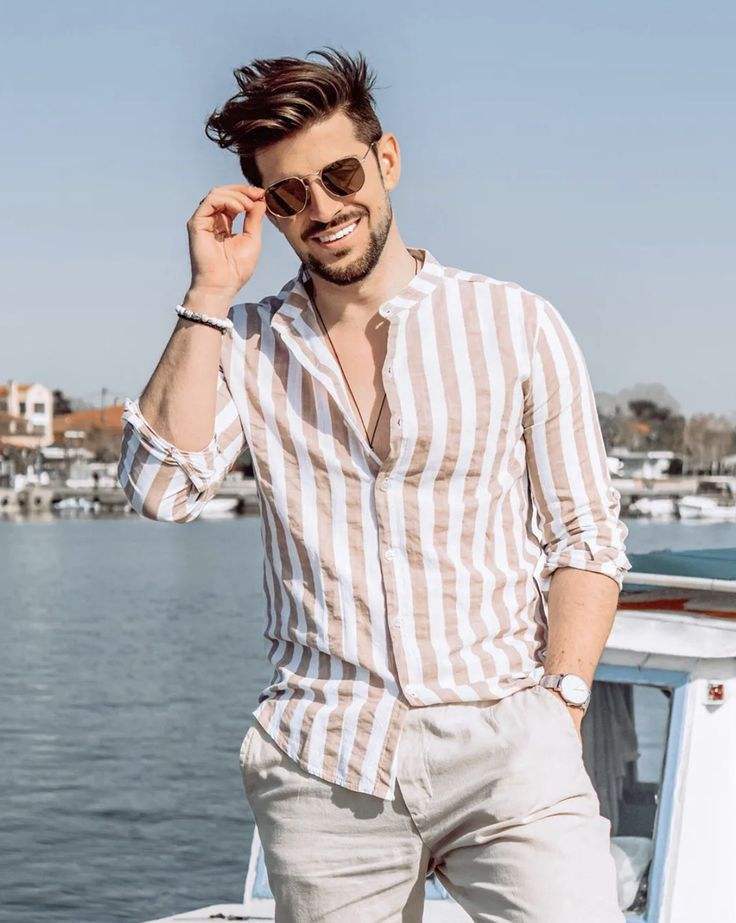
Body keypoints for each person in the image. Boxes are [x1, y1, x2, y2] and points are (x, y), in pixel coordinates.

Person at [117, 47, 631, 923]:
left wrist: (564, 703)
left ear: (386, 160)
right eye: (289, 194)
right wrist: (208, 292)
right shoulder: (246, 345)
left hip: (508, 748)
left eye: (341, 175)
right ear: (268, 207)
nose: (322, 208)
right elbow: (161, 491)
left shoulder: (515, 324)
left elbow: (585, 536)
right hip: (327, 764)